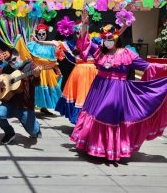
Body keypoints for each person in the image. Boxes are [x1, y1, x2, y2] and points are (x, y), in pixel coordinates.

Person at [70, 10, 167, 161]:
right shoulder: (99, 52)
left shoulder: (127, 54)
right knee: (95, 114)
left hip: (116, 90)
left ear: (115, 39)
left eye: (110, 38)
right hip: (99, 88)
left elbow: (148, 67)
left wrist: (165, 67)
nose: (107, 41)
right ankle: (95, 146)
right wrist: (84, 23)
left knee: (106, 113)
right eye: (105, 39)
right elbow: (84, 40)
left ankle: (109, 148)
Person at [0, 48, 42, 144]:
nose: (12, 63)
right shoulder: (6, 68)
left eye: (14, 60)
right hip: (10, 104)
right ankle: (9, 133)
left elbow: (36, 83)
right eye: (9, 62)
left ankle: (36, 126)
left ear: (18, 55)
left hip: (25, 106)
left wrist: (37, 75)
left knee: (34, 133)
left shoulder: (30, 66)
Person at [15, 23, 63, 115]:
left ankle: (44, 107)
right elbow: (26, 55)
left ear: (46, 34)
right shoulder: (32, 45)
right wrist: (19, 40)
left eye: (43, 34)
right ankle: (30, 108)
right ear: (36, 35)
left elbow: (53, 61)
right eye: (39, 34)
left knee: (47, 91)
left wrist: (57, 69)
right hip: (36, 71)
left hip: (48, 72)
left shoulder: (50, 47)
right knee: (36, 90)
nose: (41, 36)